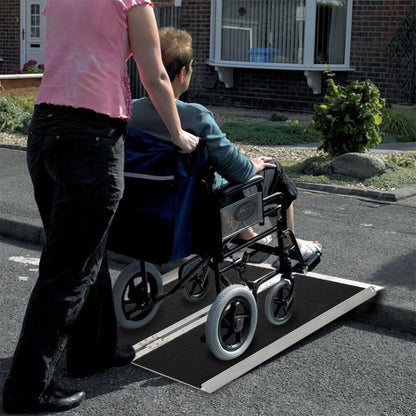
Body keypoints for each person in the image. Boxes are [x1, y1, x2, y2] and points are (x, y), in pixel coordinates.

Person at [2, 2, 199, 414]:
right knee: (69, 269)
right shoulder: (131, 2)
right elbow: (156, 73)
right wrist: (178, 134)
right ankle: (27, 388)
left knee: (84, 254)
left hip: (45, 131)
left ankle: (93, 350)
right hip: (91, 137)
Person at [128, 26, 322, 261]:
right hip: (199, 209)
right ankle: (291, 244)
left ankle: (246, 236)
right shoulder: (195, 116)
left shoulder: (130, 112)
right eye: (192, 67)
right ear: (181, 74)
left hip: (150, 208)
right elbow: (238, 170)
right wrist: (253, 165)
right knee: (273, 169)